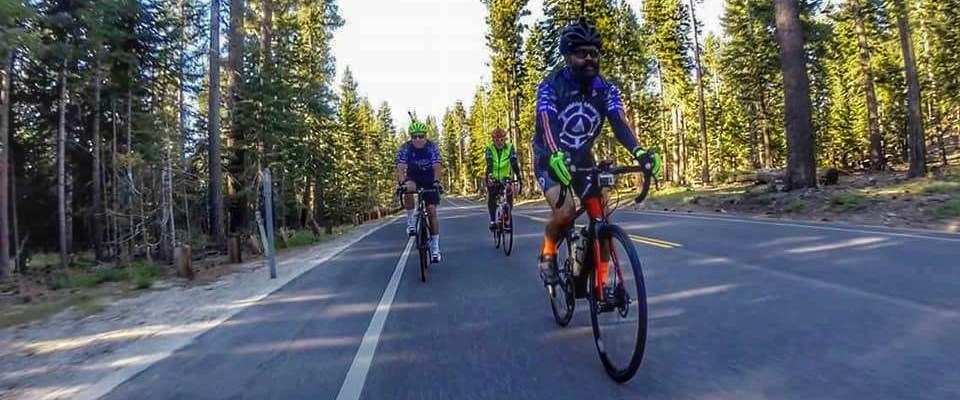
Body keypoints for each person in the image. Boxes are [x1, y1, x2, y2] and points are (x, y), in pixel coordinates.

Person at [532, 18, 662, 286]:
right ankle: (548, 252)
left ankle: (600, 283)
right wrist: (555, 153)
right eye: (582, 53)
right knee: (565, 213)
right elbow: (547, 123)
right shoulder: (551, 86)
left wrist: (640, 153)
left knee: (600, 221)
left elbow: (618, 121)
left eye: (594, 53)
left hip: (582, 159)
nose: (589, 58)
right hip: (550, 158)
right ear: (568, 56)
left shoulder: (606, 89)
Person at [396, 119, 444, 263]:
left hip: (429, 177)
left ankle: (435, 248)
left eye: (421, 136)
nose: (418, 139)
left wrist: (436, 182)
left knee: (431, 211)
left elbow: (437, 166)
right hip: (414, 176)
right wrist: (401, 183)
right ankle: (411, 221)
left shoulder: (431, 147)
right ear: (411, 137)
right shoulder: (406, 148)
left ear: (425, 136)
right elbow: (400, 167)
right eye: (414, 136)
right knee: (408, 188)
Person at [485, 127, 522, 231]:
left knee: (509, 192)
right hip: (493, 174)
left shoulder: (510, 147)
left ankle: (506, 218)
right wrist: (490, 176)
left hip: (506, 175)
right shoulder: (489, 148)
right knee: (492, 194)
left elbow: (514, 162)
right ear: (493, 140)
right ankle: (493, 221)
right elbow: (489, 163)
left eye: (502, 139)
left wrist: (518, 177)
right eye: (497, 140)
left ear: (505, 139)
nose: (500, 142)